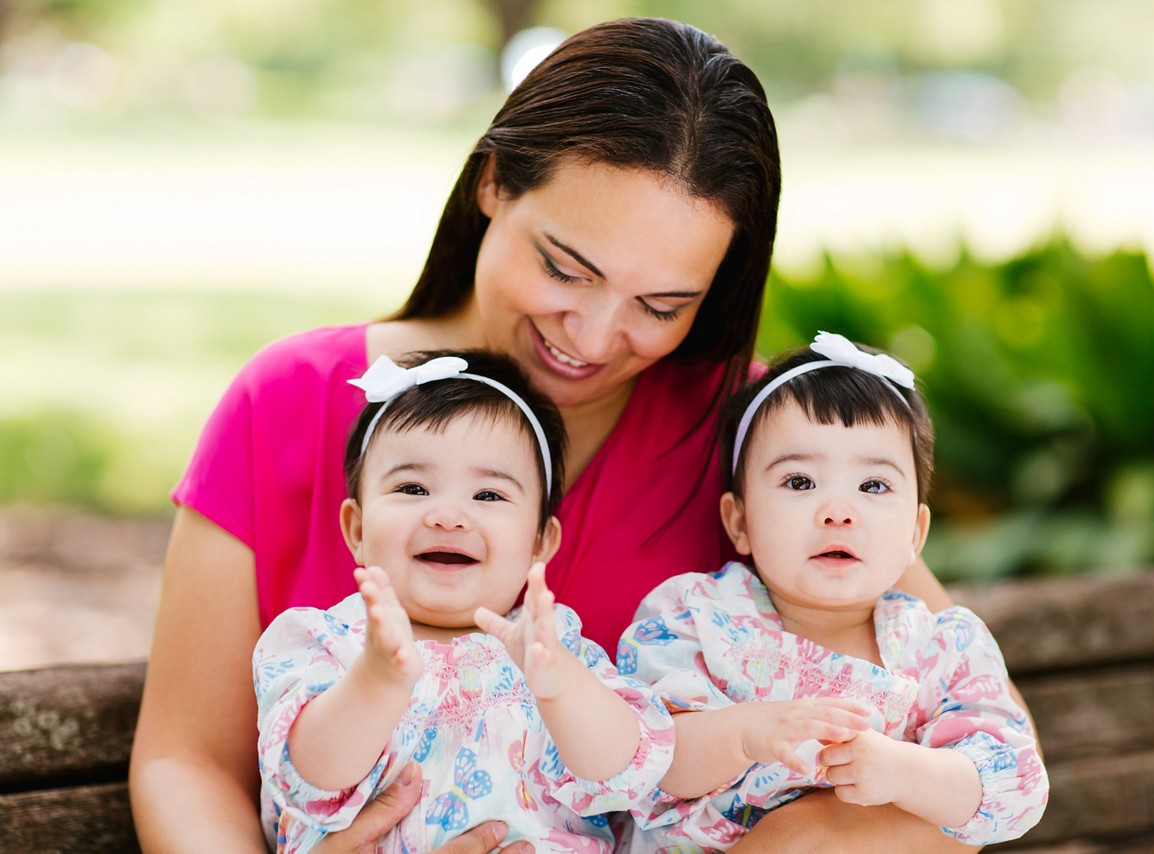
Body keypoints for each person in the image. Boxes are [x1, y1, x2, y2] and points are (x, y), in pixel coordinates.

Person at [130, 16, 1001, 852]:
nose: (589, 338)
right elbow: (186, 760)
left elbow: (978, 749)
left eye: (663, 306)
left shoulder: (769, 443)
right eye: (564, 268)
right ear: (493, 182)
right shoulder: (294, 401)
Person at [617, 332, 1049, 850]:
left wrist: (906, 773)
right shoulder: (696, 619)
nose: (838, 511)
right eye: (800, 482)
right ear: (739, 522)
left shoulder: (941, 647)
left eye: (873, 486)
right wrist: (742, 733)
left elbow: (1012, 789)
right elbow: (643, 759)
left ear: (916, 533)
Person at [254, 351, 674, 851]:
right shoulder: (327, 643)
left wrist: (561, 688)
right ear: (358, 529)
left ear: (540, 543)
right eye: (413, 487)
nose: (449, 516)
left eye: (489, 496)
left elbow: (625, 776)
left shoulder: (552, 648)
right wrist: (377, 678)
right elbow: (310, 779)